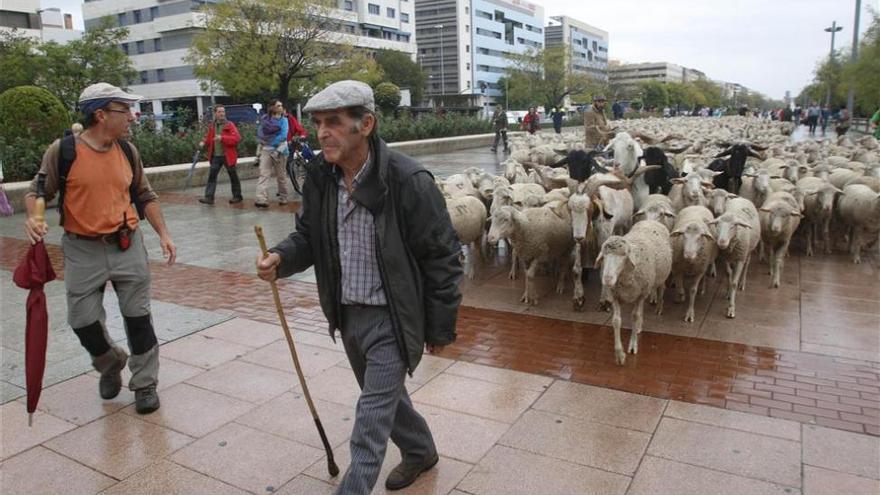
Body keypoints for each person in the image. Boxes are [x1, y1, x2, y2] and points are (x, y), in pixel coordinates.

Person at [256, 80, 462, 494]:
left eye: (334, 122)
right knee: (384, 398)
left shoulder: (408, 181)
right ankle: (420, 450)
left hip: (393, 315)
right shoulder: (320, 177)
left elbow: (442, 257)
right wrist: (281, 257)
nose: (322, 132)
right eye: (317, 123)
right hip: (348, 313)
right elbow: (310, 235)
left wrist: (439, 327)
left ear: (365, 124)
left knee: (369, 420)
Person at [23, 82, 177, 414]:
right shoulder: (63, 151)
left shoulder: (127, 152)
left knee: (138, 318)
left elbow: (145, 195)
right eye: (125, 110)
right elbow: (37, 191)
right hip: (82, 249)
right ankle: (110, 363)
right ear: (101, 114)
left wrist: (163, 233)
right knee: (82, 321)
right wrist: (35, 217)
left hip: (127, 243)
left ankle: (145, 383)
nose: (133, 118)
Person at [198, 105, 242, 205]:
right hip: (216, 156)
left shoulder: (230, 125)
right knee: (212, 176)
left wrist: (222, 138)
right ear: (215, 113)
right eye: (219, 112)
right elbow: (209, 138)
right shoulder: (212, 126)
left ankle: (237, 196)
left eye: (223, 111)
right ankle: (209, 198)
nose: (222, 114)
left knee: (233, 176)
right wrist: (204, 142)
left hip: (228, 156)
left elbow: (236, 139)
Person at [255, 99, 289, 208]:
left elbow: (283, 135)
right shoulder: (264, 119)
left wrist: (271, 141)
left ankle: (283, 196)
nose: (281, 107)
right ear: (272, 107)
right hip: (266, 150)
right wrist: (262, 140)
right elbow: (260, 132)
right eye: (278, 105)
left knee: (281, 176)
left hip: (280, 151)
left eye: (281, 105)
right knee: (263, 174)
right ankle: (261, 199)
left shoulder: (284, 120)